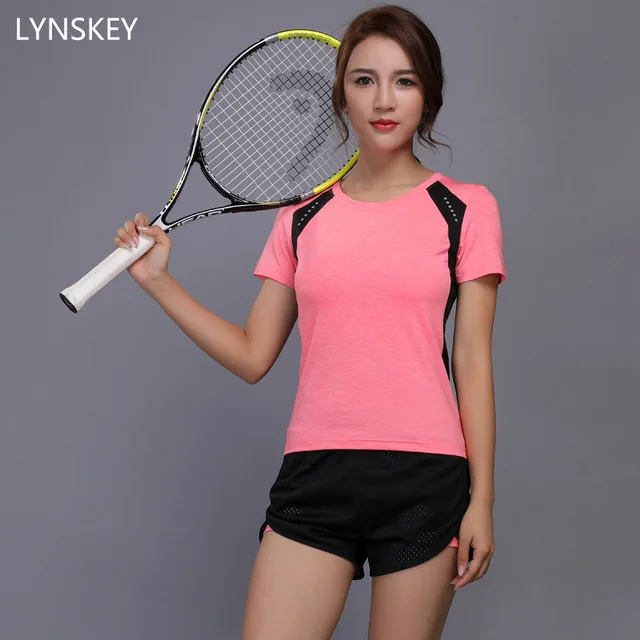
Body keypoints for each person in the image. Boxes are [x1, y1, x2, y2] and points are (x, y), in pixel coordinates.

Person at [114, 5, 507, 639]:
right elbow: (252, 355)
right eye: (364, 80)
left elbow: (472, 361)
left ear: (429, 95)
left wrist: (482, 499)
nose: (384, 100)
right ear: (341, 94)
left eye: (404, 81)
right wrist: (159, 281)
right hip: (315, 476)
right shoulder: (301, 217)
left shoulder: (466, 209)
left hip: (425, 479)